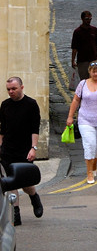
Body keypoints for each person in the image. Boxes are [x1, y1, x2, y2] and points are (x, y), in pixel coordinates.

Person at [0, 77, 43, 226]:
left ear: (22, 87)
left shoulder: (31, 105)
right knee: (11, 183)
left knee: (25, 183)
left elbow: (35, 129)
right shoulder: (5, 105)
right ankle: (16, 214)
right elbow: (2, 130)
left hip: (25, 150)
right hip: (7, 150)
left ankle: (34, 197)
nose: (11, 92)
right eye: (8, 89)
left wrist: (33, 148)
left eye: (14, 89)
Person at [66, 61, 97, 184]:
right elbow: (76, 100)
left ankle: (95, 162)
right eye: (93, 71)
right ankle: (89, 173)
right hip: (85, 120)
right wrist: (70, 117)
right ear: (89, 72)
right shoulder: (82, 84)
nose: (95, 73)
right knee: (90, 145)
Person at [71, 11, 97, 82]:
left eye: (90, 19)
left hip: (93, 59)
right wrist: (73, 60)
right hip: (82, 61)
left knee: (95, 80)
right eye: (87, 19)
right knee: (84, 82)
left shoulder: (94, 30)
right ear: (82, 19)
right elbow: (74, 48)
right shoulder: (77, 32)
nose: (88, 21)